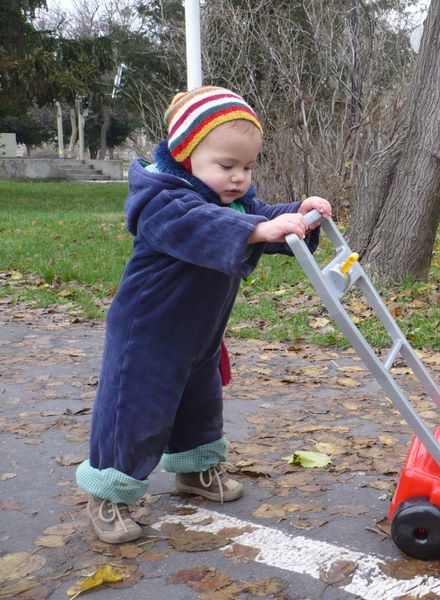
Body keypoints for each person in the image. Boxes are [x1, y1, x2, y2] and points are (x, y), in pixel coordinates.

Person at [75, 86, 331, 543]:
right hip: (148, 334)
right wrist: (258, 228)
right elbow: (203, 225)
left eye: (247, 167)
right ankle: (110, 493)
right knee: (135, 414)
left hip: (200, 333)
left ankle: (195, 469)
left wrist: (297, 213)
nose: (238, 178)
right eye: (227, 166)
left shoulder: (228, 200)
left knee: (200, 404)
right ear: (185, 153)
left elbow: (259, 216)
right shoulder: (162, 200)